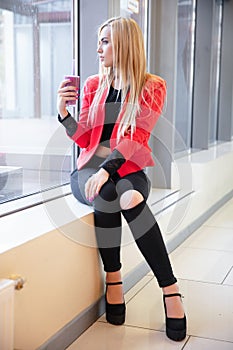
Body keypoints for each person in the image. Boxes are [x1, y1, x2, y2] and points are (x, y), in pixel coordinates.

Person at [57, 17, 186, 342]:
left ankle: (169, 288)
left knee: (128, 196)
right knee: (106, 196)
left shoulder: (151, 86)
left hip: (128, 167)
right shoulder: (91, 86)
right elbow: (85, 139)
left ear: (124, 44)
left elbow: (136, 138)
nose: (98, 48)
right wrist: (63, 113)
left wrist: (106, 170)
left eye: (105, 41)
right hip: (87, 170)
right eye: (99, 41)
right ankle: (114, 279)